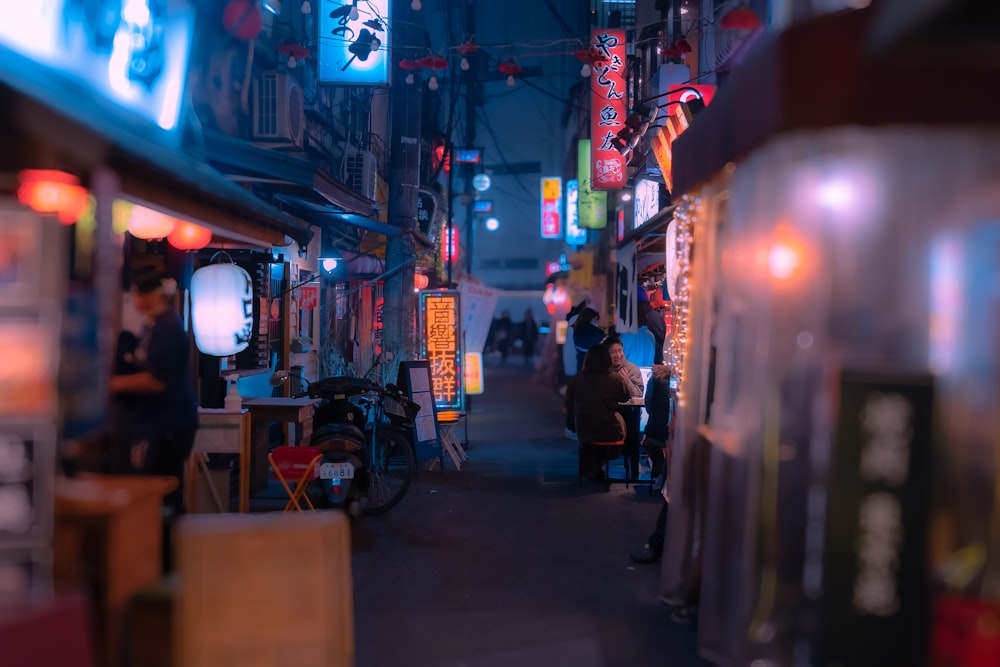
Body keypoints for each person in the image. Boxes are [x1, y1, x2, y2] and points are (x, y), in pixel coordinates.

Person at [109, 267, 198, 565]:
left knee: (162, 488)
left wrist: (112, 384)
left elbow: (157, 380)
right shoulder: (152, 326)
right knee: (156, 487)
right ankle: (159, 554)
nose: (135, 299)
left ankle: (168, 558)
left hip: (169, 421)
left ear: (153, 295)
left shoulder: (169, 328)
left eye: (139, 294)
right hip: (156, 419)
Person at [630, 364, 675, 566]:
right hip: (663, 439)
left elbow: (646, 403)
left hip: (657, 438)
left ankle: (657, 544)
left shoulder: (657, 382)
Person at [565, 343, 630, 481]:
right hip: (610, 432)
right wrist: (624, 382)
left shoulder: (577, 379)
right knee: (619, 419)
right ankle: (599, 467)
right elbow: (626, 398)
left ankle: (593, 468)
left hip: (585, 431)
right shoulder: (615, 379)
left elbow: (568, 404)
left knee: (592, 440)